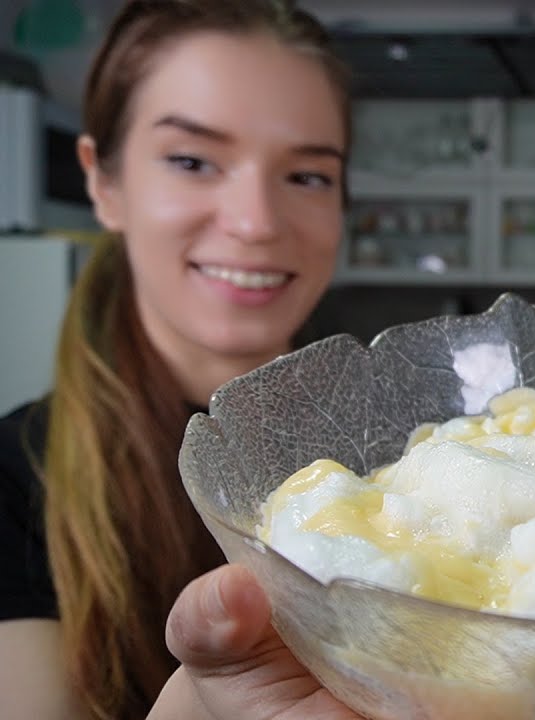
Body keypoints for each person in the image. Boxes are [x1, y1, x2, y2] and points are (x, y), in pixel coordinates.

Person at [0, 0, 350, 717]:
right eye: (192, 161)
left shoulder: (400, 452)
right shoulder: (15, 478)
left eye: (307, 176)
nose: (255, 222)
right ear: (104, 181)